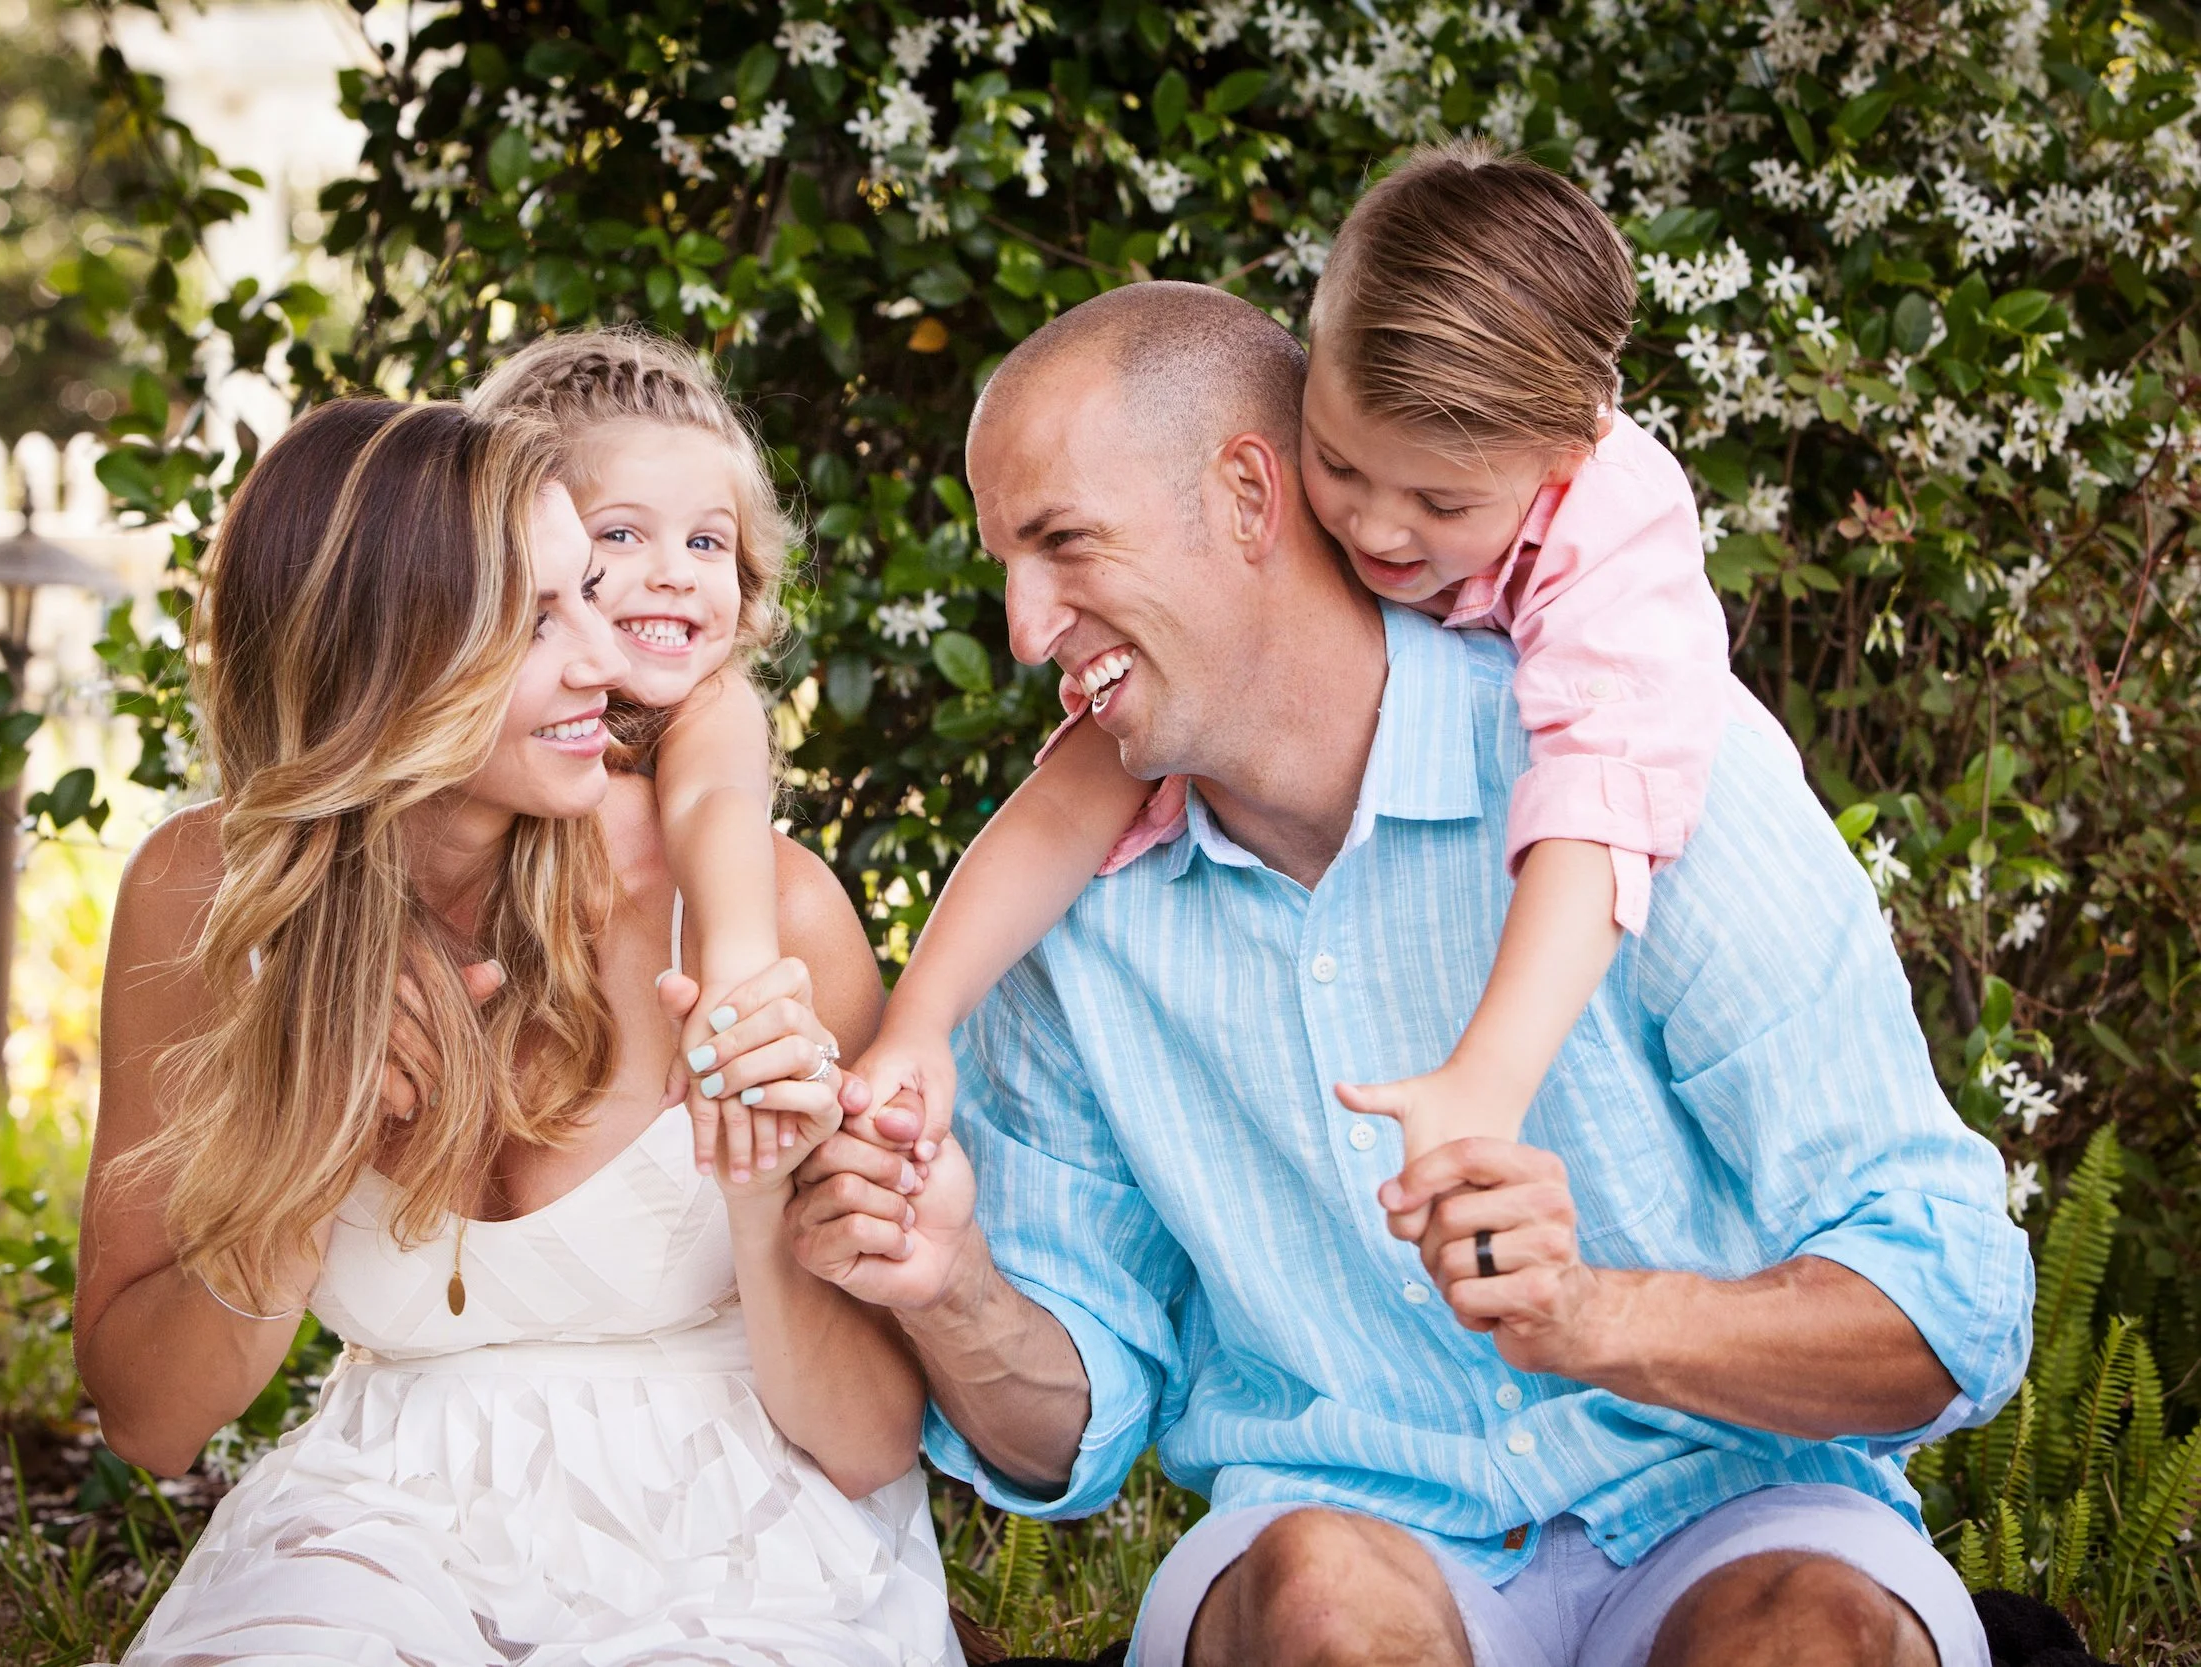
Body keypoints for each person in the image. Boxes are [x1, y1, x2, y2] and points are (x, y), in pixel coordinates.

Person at [788, 279, 2032, 1667]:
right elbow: (1065, 1435)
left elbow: (1950, 1304)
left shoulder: (1641, 767)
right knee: (1317, 1595)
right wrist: (949, 1281)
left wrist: (1596, 1314)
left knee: (1808, 1637)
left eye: (1065, 542)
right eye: (1006, 566)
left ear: (1249, 496)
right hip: (1346, 1518)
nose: (1024, 631)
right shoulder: (1067, 920)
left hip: (1740, 1508)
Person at [76, 396, 956, 1665]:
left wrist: (764, 1189)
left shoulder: (755, 910)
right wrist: (308, 1146)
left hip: (737, 1526)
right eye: (541, 617)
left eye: (587, 594)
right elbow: (148, 1420)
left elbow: (872, 1436)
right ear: (384, 656)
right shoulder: (202, 897)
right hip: (381, 1511)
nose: (606, 658)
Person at [854, 141, 1743, 1172]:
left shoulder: (1613, 547)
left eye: (1440, 501)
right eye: (1339, 465)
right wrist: (919, 1019)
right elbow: (1064, 803)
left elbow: (1600, 802)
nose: (1376, 529)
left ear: (1566, 454)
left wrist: (1489, 1077)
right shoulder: (1301, 496)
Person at [468, 328, 804, 1188]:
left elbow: (714, 801)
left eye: (707, 543)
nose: (676, 574)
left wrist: (738, 971)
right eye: (622, 535)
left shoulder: (711, 703)